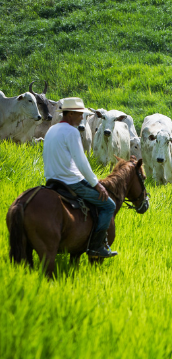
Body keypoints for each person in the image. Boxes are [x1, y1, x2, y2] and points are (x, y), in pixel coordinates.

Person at [43, 97, 117, 259]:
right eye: (80, 114)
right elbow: (82, 162)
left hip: (51, 180)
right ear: (69, 114)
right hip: (70, 182)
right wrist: (97, 184)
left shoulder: (51, 130)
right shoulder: (72, 132)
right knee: (109, 206)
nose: (82, 118)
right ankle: (96, 247)